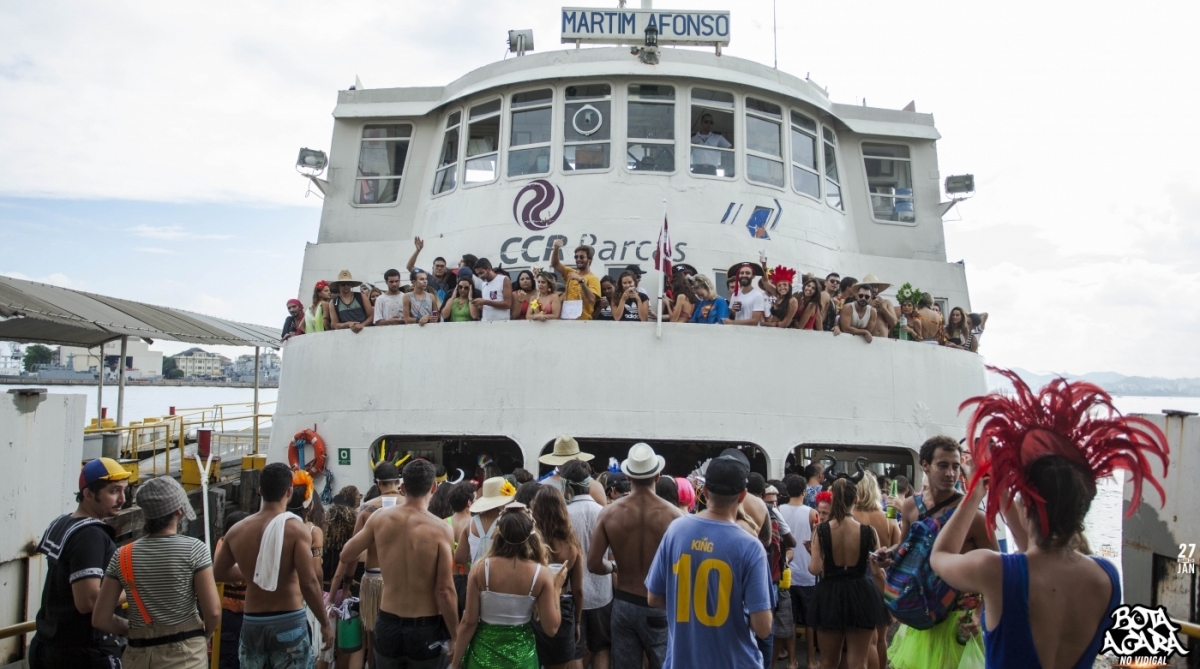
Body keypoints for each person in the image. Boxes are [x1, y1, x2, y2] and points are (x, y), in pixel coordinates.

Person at [930, 370, 1168, 669]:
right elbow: (1035, 552)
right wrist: (1002, 492)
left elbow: (940, 556)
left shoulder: (996, 570)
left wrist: (976, 489)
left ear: (1027, 506)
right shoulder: (1107, 577)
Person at [646, 455, 772, 667]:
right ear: (742, 495)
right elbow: (763, 627)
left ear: (705, 491)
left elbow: (654, 597)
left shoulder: (676, 531)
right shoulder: (750, 546)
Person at [885, 436, 997, 669]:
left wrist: (978, 615)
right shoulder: (910, 506)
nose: (950, 473)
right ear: (925, 465)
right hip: (920, 615)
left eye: (956, 466)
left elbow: (997, 572)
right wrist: (889, 553)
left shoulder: (972, 516)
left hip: (957, 620)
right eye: (942, 465)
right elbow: (906, 547)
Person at [336, 460, 458, 669]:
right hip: (425, 627)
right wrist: (456, 635)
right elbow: (444, 590)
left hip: (388, 623)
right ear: (434, 487)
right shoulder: (441, 530)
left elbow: (346, 554)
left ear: (403, 487)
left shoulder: (379, 519)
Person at [93, 476, 220, 669]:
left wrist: (135, 630)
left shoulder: (123, 555)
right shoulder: (194, 549)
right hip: (185, 656)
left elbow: (100, 618)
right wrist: (206, 635)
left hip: (139, 657)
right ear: (179, 510)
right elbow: (213, 611)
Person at [214, 462, 332, 667]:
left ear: (260, 491)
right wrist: (324, 623)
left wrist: (254, 572)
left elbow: (219, 572)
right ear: (288, 491)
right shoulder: (296, 529)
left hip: (252, 622)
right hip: (288, 619)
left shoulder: (237, 530)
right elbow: (309, 582)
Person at [29, 458, 130, 669]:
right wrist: (135, 589)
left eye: (124, 490)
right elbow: (89, 602)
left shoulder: (62, 522)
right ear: (88, 494)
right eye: (114, 491)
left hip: (48, 644)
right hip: (84, 653)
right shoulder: (90, 535)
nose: (122, 498)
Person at [589, 443, 683, 669]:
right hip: (660, 604)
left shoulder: (609, 513)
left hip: (624, 602)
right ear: (658, 476)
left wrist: (613, 568)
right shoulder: (675, 516)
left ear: (629, 476)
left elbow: (593, 563)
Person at [452, 506, 568, 669]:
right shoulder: (541, 575)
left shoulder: (480, 569)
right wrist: (556, 589)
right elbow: (551, 628)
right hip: (521, 659)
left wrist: (455, 663)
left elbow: (469, 622)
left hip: (483, 657)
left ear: (499, 533)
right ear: (531, 534)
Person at [808, 479, 889, 669]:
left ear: (834, 500)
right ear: (857, 500)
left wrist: (814, 552)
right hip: (861, 593)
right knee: (859, 662)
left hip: (830, 594)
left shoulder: (821, 530)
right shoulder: (869, 532)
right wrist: (887, 600)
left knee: (828, 661)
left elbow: (815, 569)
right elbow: (877, 572)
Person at [328, 462, 404, 660]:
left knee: (372, 638)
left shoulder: (366, 509)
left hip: (373, 580)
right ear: (398, 481)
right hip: (402, 580)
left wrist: (346, 586)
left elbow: (352, 554)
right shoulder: (411, 506)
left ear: (378, 483)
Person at [560, 459, 614, 669]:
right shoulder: (604, 512)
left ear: (567, 484)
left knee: (575, 648)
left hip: (572, 593)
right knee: (602, 647)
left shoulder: (563, 515)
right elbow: (610, 555)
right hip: (603, 592)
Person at [530, 486, 585, 669]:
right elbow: (578, 590)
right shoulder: (571, 546)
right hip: (562, 608)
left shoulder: (531, 544)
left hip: (533, 607)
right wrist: (577, 622)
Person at [852, 472, 900, 669]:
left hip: (856, 583)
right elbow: (900, 551)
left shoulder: (849, 518)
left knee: (862, 642)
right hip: (882, 582)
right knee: (880, 639)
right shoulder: (888, 520)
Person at [779, 475, 819, 669]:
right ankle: (811, 660)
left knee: (790, 619)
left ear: (787, 492)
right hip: (808, 573)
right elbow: (816, 539)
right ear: (804, 491)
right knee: (811, 621)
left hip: (786, 573)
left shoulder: (778, 511)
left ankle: (792, 661)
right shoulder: (812, 513)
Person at [455, 477, 516, 569]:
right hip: (500, 577)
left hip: (475, 578)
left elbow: (459, 557)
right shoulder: (507, 522)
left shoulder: (471, 523)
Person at [217, 511, 250, 669]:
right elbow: (234, 578)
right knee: (229, 656)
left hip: (244, 613)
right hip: (230, 613)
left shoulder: (249, 547)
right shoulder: (223, 546)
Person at [539, 435, 607, 505]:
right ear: (579, 460)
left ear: (557, 462)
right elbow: (603, 512)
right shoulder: (594, 486)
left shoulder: (542, 486)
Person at [550, 238, 601, 320]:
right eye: (576, 257)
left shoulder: (593, 278)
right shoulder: (571, 273)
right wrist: (556, 248)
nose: (578, 259)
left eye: (582, 257)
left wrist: (581, 281)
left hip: (583, 321)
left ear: (589, 259)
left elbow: (591, 299)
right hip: (567, 320)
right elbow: (555, 264)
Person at [406, 237, 454, 303]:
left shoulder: (447, 285)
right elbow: (410, 267)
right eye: (437, 266)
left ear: (445, 269)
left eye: (442, 266)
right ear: (432, 268)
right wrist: (418, 250)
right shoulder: (427, 277)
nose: (439, 268)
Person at [724, 262, 766, 326]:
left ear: (753, 276)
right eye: (742, 273)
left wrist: (732, 322)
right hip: (737, 332)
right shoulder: (735, 295)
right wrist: (733, 310)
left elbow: (755, 321)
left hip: (751, 334)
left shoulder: (758, 295)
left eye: (747, 273)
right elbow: (731, 314)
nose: (744, 275)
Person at [471, 258, 512, 322]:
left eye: (481, 273)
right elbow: (489, 305)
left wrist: (485, 302)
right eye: (477, 274)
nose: (479, 276)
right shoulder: (483, 284)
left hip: (501, 323)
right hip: (486, 322)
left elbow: (508, 304)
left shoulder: (504, 279)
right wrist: (480, 305)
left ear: (489, 269)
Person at [857, 274, 897, 339]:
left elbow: (894, 324)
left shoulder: (886, 302)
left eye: (876, 287)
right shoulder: (860, 303)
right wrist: (868, 307)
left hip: (883, 340)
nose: (874, 289)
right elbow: (856, 321)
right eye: (871, 286)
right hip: (865, 339)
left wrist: (883, 308)